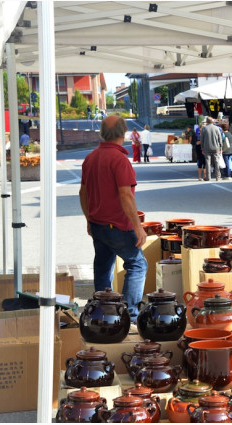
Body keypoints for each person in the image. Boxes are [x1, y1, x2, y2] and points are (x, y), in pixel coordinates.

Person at [79, 115, 148, 319]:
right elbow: (125, 195)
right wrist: (138, 227)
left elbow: (83, 193)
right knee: (137, 265)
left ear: (102, 133)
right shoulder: (119, 159)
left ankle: (103, 313)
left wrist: (88, 219)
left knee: (103, 266)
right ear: (123, 133)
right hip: (117, 225)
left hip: (97, 223)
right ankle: (129, 315)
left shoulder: (91, 157)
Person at [200, 116, 223, 181]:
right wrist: (221, 147)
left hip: (207, 147)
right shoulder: (217, 128)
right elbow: (219, 139)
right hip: (216, 147)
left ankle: (208, 177)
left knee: (207, 162)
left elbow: (202, 140)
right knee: (216, 161)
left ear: (206, 122)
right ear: (212, 122)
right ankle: (217, 176)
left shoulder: (204, 129)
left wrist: (202, 148)